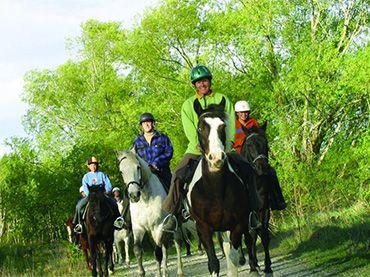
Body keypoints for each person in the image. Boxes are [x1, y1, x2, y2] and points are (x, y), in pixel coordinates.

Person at [162, 65, 260, 232]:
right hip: (196, 148)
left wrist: (226, 145)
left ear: (210, 81)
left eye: (205, 81)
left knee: (247, 169)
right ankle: (174, 214)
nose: (202, 84)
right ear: (194, 85)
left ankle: (253, 212)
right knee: (177, 175)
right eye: (199, 82)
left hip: (223, 149)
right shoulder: (187, 105)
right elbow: (190, 129)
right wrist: (200, 146)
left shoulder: (223, 99)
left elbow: (229, 126)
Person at [233, 100, 286, 210]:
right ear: (237, 113)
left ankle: (277, 200)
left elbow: (259, 139)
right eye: (241, 112)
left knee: (271, 171)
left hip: (254, 156)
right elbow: (230, 140)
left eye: (246, 112)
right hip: (239, 156)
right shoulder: (233, 125)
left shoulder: (253, 123)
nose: (244, 114)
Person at [73, 156, 124, 234]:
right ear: (88, 166)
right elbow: (85, 187)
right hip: (91, 196)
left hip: (102, 195)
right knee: (78, 206)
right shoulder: (86, 176)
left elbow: (108, 185)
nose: (93, 166)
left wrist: (106, 192)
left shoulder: (102, 174)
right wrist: (89, 195)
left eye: (95, 164)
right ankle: (80, 225)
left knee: (114, 203)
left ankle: (118, 220)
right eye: (91, 165)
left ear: (97, 165)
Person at [131, 112, 174, 191]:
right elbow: (132, 157)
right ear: (141, 126)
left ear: (153, 123)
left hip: (162, 173)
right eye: (144, 123)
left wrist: (157, 163)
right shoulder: (137, 141)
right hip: (144, 177)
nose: (146, 125)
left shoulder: (163, 137)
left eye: (148, 122)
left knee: (174, 192)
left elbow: (169, 152)